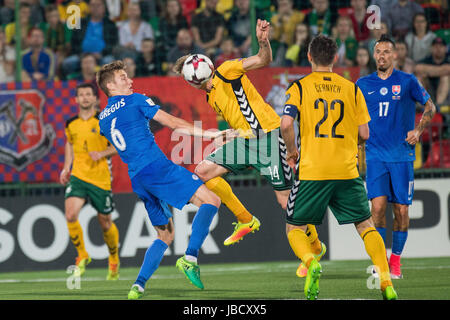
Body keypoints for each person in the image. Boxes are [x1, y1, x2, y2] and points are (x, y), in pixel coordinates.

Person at [173, 19, 326, 278]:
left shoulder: (227, 70)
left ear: (194, 79)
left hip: (269, 137)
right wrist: (229, 135)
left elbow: (262, 60)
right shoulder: (210, 95)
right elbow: (240, 116)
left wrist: (263, 41)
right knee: (202, 171)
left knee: (285, 201)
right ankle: (245, 219)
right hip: (245, 141)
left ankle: (314, 246)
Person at [96, 60, 233, 299]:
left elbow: (124, 140)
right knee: (211, 201)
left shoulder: (103, 119)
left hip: (137, 178)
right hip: (155, 167)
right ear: (110, 85)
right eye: (122, 78)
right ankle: (190, 257)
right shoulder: (135, 99)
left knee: (165, 235)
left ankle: (138, 286)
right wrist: (211, 134)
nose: (130, 81)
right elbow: (172, 122)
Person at [280, 34, 397, 300]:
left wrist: (291, 151)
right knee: (366, 225)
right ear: (335, 58)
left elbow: (286, 124)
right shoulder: (352, 88)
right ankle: (386, 280)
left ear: (309, 57)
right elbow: (365, 134)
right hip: (347, 170)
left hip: (312, 171)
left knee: (294, 228)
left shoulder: (299, 87)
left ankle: (311, 262)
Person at [356, 34, 436, 279]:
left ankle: (396, 263)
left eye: (386, 52)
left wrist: (419, 129)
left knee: (400, 211)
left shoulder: (408, 81)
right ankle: (381, 265)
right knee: (377, 208)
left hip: (401, 155)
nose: (382, 56)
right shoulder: (361, 84)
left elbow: (430, 107)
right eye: (378, 51)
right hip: (375, 155)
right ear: (374, 55)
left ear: (395, 55)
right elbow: (352, 118)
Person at [60, 82, 120, 280]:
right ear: (76, 99)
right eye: (81, 95)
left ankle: (113, 258)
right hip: (78, 176)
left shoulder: (104, 121)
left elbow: (119, 146)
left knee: (105, 223)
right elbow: (70, 144)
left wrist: (102, 153)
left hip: (100, 178)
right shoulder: (71, 123)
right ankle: (83, 255)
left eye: (88, 94)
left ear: (95, 98)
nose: (85, 97)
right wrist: (66, 167)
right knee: (70, 214)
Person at [62, 0, 118, 78]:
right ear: (89, 7)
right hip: (82, 55)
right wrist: (83, 55)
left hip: (102, 56)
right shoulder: (81, 22)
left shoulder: (110, 24)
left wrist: (101, 54)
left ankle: (105, 85)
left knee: (109, 62)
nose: (95, 8)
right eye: (93, 5)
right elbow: (74, 42)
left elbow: (113, 44)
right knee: (67, 63)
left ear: (104, 8)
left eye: (98, 5)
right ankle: (73, 84)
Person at [415, 37, 450, 106]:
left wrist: (428, 71)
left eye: (441, 46)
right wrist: (442, 71)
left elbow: (448, 69)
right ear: (431, 49)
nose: (438, 49)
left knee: (445, 78)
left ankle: (438, 107)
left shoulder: (448, 60)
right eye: (435, 46)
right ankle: (421, 106)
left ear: (446, 49)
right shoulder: (427, 59)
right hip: (428, 90)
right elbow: (418, 68)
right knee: (419, 78)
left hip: (446, 94)